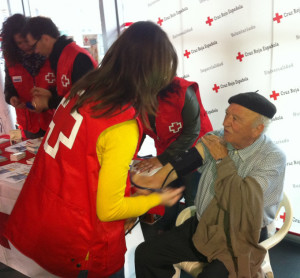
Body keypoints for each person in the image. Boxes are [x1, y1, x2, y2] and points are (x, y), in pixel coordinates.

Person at [4, 21, 184, 278]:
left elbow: (83, 161)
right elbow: (109, 209)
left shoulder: (82, 91)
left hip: (52, 222)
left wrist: (131, 180)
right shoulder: (121, 121)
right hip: (85, 240)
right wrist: (158, 198)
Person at [133, 91, 286, 277]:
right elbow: (186, 161)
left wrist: (222, 159)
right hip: (203, 226)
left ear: (257, 129)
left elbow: (241, 201)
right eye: (226, 114)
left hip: (240, 237)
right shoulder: (220, 137)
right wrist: (155, 180)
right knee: (146, 254)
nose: (225, 122)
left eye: (235, 119)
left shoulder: (272, 158)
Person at [134, 77, 213, 230]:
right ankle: (167, 229)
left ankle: (193, 236)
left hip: (194, 153)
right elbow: (138, 131)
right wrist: (129, 157)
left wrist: (161, 160)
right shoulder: (136, 97)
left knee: (193, 200)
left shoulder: (182, 91)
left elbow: (192, 132)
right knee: (169, 194)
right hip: (167, 154)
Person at [22, 16, 98, 112]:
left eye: (34, 46)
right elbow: (69, 91)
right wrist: (50, 93)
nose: (35, 51)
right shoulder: (58, 56)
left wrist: (48, 103)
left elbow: (84, 100)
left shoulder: (78, 57)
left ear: (45, 39)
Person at [1, 14, 56, 139]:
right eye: (19, 43)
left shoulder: (51, 55)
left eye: (26, 40)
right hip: (29, 124)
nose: (25, 46)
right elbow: (9, 88)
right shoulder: (11, 60)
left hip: (54, 119)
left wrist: (48, 97)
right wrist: (12, 98)